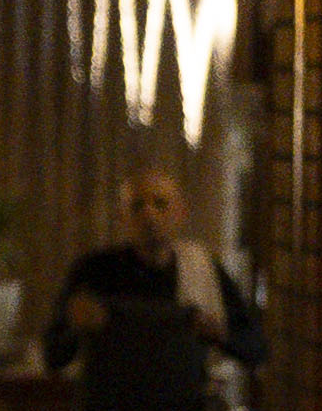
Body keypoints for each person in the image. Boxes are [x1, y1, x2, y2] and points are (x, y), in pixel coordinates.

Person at [48, 156, 260, 378]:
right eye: (137, 206)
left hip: (185, 404)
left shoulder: (203, 268)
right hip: (114, 404)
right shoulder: (93, 271)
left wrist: (219, 335)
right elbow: (53, 355)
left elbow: (254, 347)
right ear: (122, 216)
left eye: (160, 204)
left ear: (180, 212)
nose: (149, 215)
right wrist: (76, 327)